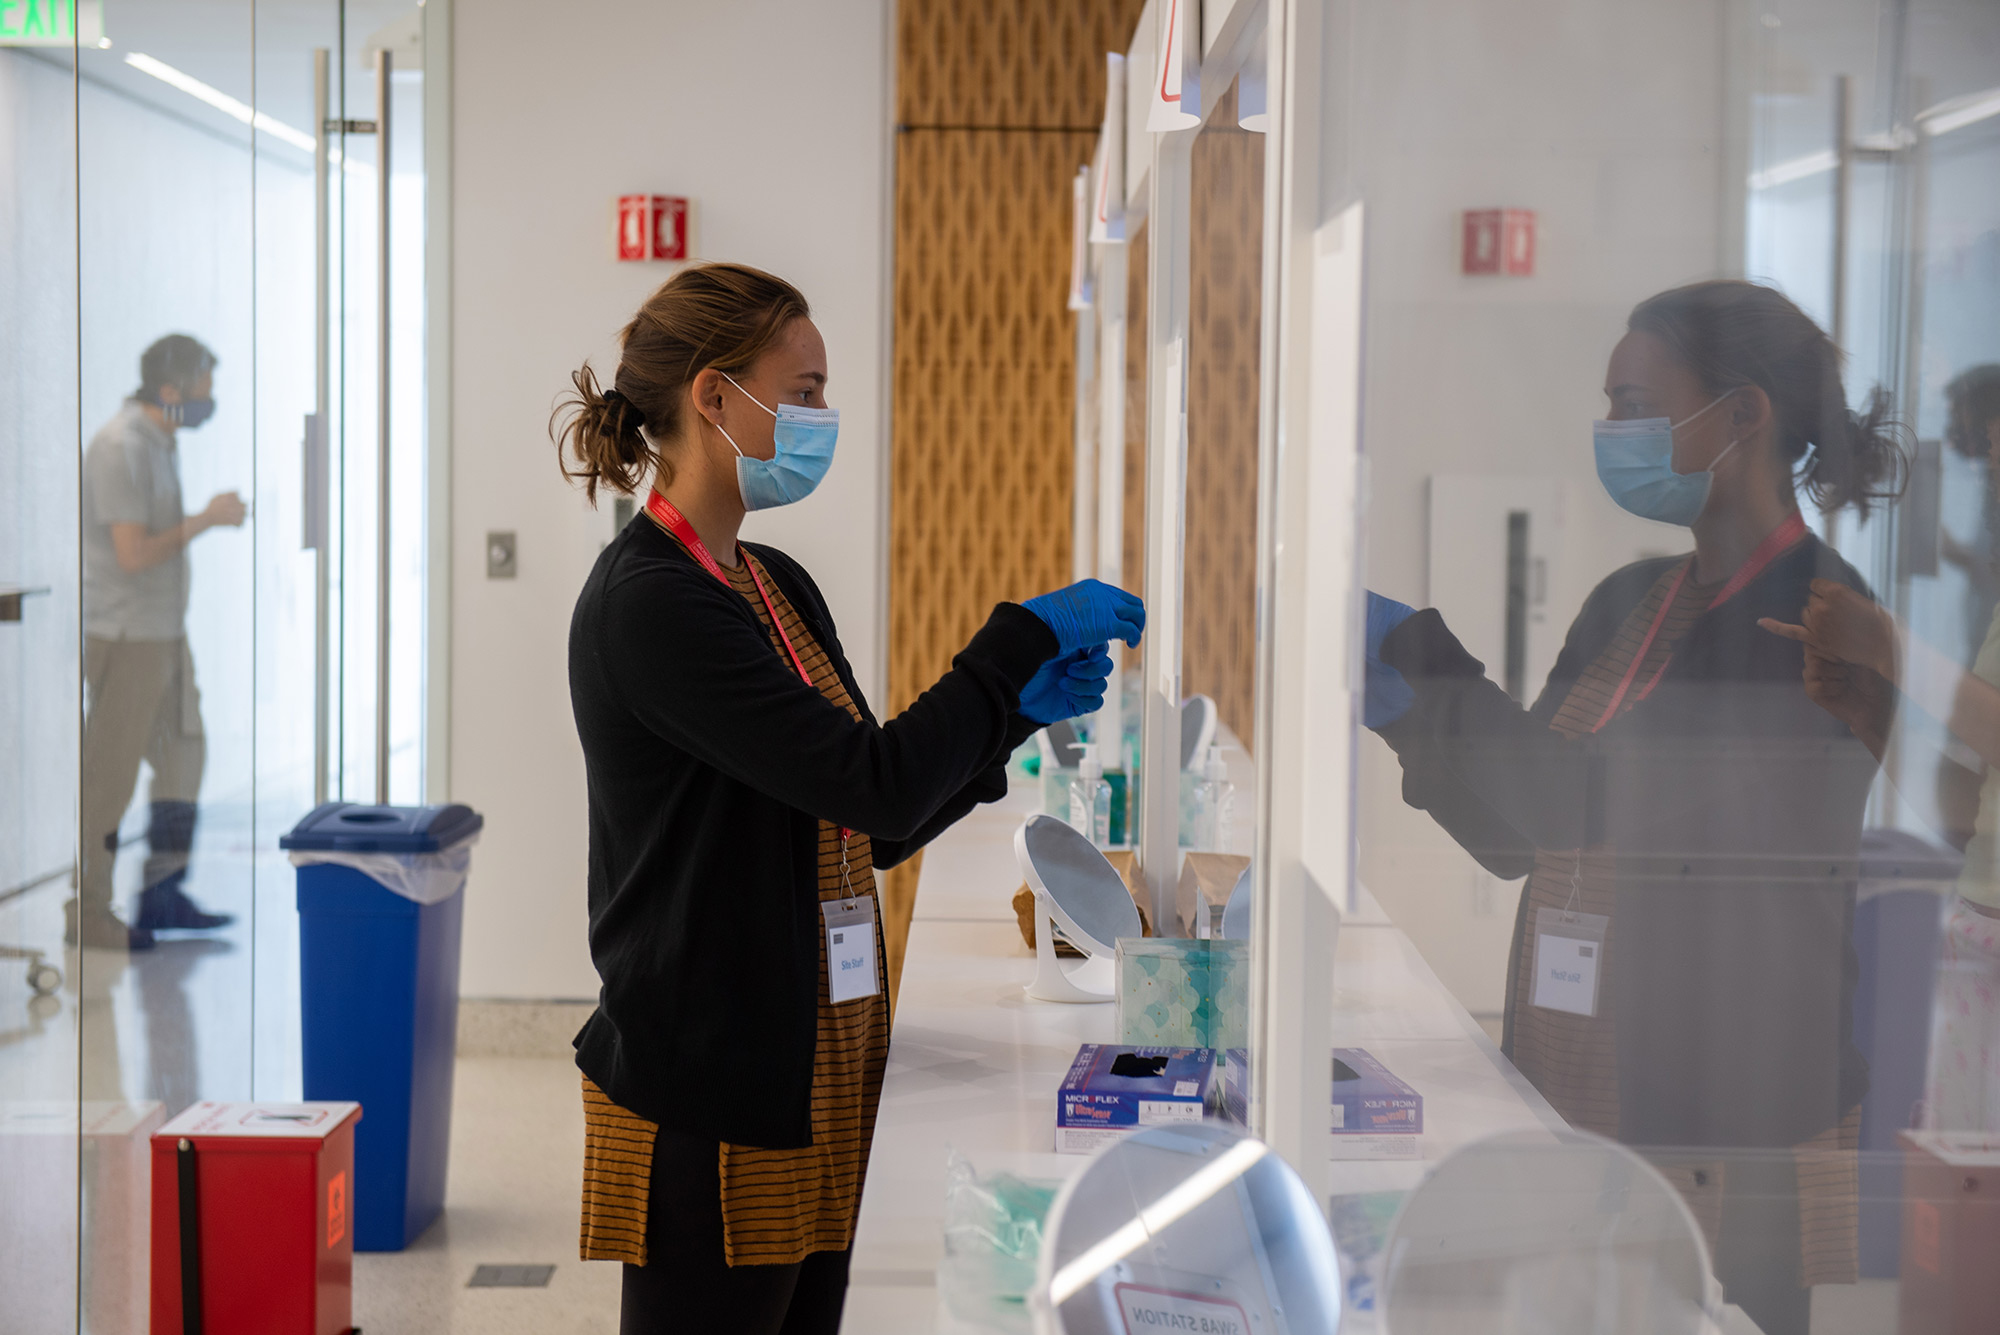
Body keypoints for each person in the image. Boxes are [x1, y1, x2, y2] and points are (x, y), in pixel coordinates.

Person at [554, 262, 1142, 1335]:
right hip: (716, 1086)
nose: (824, 416)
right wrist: (1011, 642)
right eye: (806, 388)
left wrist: (1007, 714)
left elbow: (867, 819)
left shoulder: (769, 582)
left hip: (817, 1057)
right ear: (715, 398)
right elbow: (874, 790)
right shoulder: (651, 608)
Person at [1363, 280, 1905, 1335]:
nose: (1609, 431)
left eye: (1629, 403)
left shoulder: (1816, 623)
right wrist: (1396, 709)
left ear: (1740, 414)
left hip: (1725, 1109)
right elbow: (1518, 834)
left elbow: (1592, 801)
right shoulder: (1631, 600)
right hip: (1576, 1074)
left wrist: (1414, 661)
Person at [1762, 362, 2000, 1135]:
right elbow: (1966, 814)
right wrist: (1872, 715)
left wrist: (1892, 649)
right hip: (1979, 940)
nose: (1988, 477)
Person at [72, 334, 243, 951]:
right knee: (110, 779)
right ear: (170, 392)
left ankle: (162, 893)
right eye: (203, 388)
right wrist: (207, 518)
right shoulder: (120, 447)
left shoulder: (161, 442)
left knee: (184, 759)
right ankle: (88, 912)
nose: (209, 400)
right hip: (127, 640)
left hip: (166, 636)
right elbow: (132, 552)